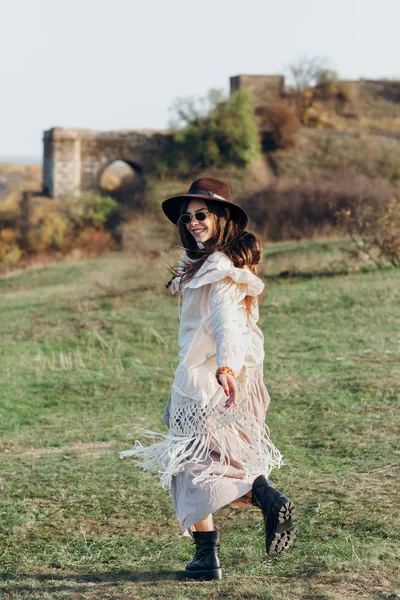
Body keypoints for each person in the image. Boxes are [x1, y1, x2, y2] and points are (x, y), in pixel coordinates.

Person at [120, 177, 296, 581]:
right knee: (211, 463)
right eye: (187, 217)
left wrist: (226, 368)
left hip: (210, 382)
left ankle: (224, 539)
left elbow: (226, 323)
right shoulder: (208, 263)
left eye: (201, 214)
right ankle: (224, 539)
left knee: (192, 465)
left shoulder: (219, 269)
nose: (193, 221)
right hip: (224, 380)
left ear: (220, 217)